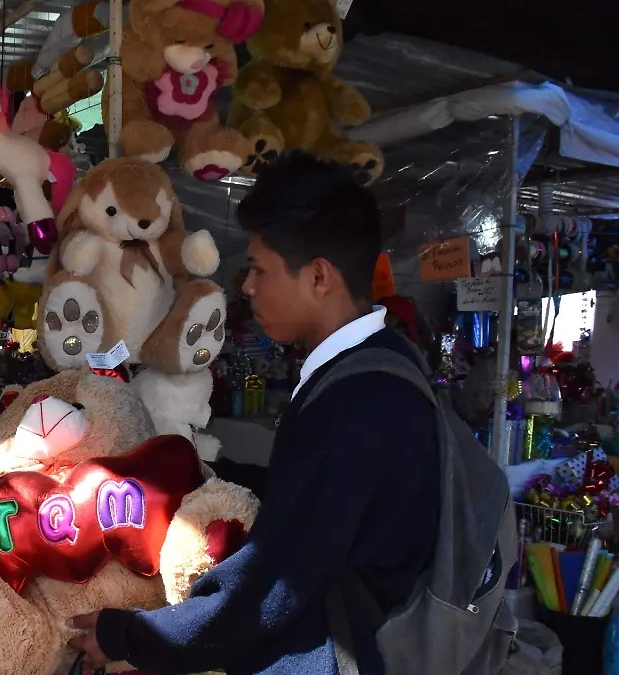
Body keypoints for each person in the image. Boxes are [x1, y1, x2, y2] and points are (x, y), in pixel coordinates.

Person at [68, 151, 441, 675]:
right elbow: (305, 502)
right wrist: (195, 473)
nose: (247, 286)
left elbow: (272, 587)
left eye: (259, 269)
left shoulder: (359, 402)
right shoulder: (378, 367)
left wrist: (130, 634)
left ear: (318, 278)